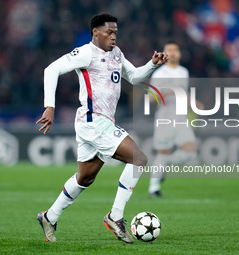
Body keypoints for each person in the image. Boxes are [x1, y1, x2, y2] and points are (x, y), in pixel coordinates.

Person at [36, 13, 168, 243]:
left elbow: (135, 77)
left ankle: (49, 216)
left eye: (116, 32)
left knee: (85, 178)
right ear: (95, 32)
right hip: (93, 121)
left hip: (99, 123)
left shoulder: (117, 54)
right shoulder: (86, 53)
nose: (113, 36)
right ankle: (115, 216)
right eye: (109, 32)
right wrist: (50, 106)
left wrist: (151, 65)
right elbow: (51, 70)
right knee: (139, 158)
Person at [148, 41, 203, 197]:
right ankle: (154, 189)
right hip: (165, 117)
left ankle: (163, 166)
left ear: (179, 54)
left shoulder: (183, 72)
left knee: (190, 153)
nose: (172, 53)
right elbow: (151, 99)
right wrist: (168, 92)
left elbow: (183, 93)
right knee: (162, 152)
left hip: (181, 117)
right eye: (169, 50)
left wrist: (194, 103)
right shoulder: (159, 74)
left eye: (175, 50)